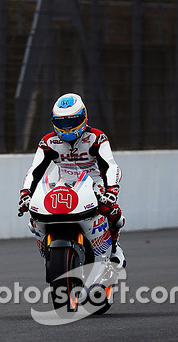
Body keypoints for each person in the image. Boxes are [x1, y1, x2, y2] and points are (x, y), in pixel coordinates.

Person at [18, 92, 125, 267]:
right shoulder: (48, 142)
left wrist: (111, 190)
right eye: (62, 123)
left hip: (94, 183)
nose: (67, 128)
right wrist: (25, 193)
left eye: (71, 122)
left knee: (113, 212)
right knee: (34, 217)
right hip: (63, 184)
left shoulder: (97, 138)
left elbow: (110, 166)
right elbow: (35, 171)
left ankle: (114, 247)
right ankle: (49, 248)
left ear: (83, 117)